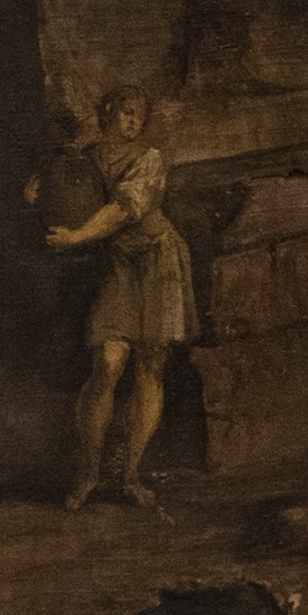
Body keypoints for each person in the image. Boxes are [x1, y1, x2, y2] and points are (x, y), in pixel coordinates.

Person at [38, 85, 194, 510]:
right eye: (126, 112)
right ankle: (89, 472)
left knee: (148, 367)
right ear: (108, 112)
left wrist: (77, 236)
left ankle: (131, 473)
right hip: (120, 268)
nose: (133, 122)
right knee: (106, 366)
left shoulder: (149, 160)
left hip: (158, 264)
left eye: (139, 116)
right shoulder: (88, 157)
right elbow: (60, 188)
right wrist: (39, 192)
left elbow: (121, 211)